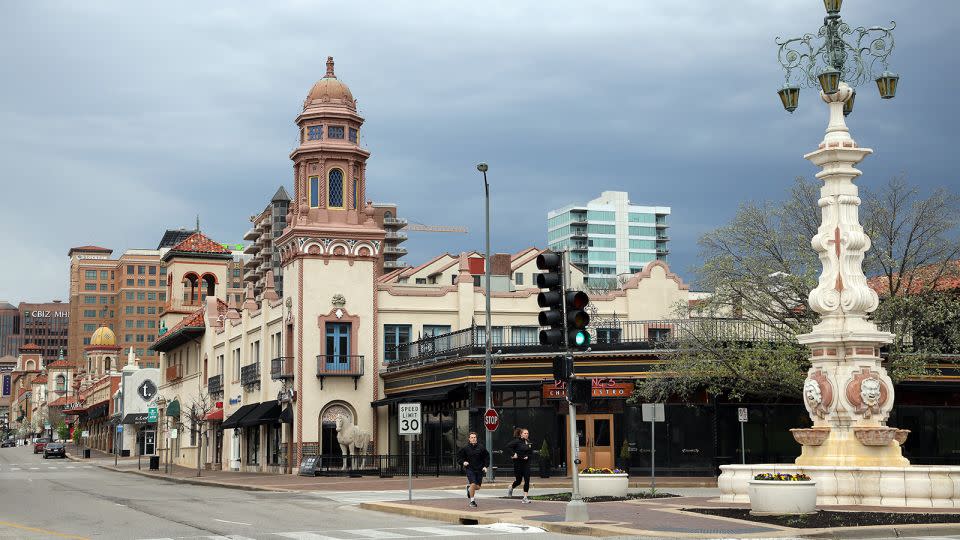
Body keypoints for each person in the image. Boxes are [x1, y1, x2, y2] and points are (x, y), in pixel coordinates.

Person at [457, 431, 488, 508]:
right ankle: (472, 501)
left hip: (479, 469)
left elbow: (487, 457)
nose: (473, 439)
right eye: (472, 438)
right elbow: (459, 458)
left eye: (474, 437)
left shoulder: (481, 448)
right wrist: (463, 462)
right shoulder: (465, 448)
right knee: (473, 483)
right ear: (469, 439)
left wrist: (485, 466)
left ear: (476, 439)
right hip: (470, 469)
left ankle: (469, 489)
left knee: (478, 487)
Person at [506, 427, 534, 503]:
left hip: (526, 464)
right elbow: (508, 447)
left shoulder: (528, 442)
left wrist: (528, 456)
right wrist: (513, 454)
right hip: (518, 463)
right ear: (521, 434)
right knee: (518, 481)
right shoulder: (517, 441)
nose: (526, 434)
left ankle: (525, 497)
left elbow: (531, 453)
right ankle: (511, 487)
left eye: (527, 433)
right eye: (525, 433)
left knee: (527, 479)